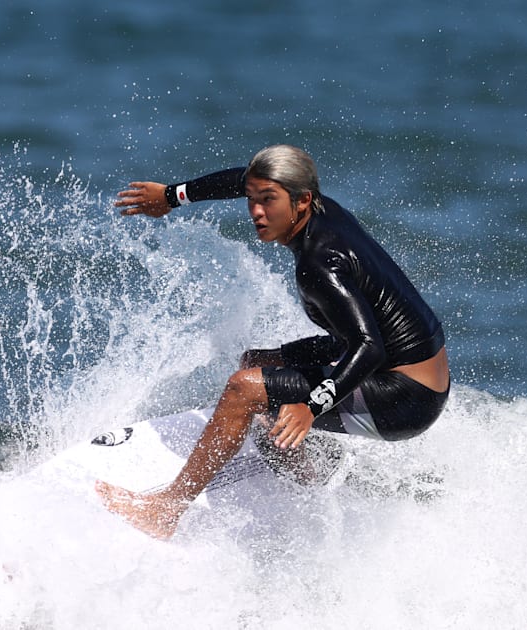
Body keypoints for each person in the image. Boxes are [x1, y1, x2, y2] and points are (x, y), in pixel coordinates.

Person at [96, 145, 450, 540]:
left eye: (268, 202)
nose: (256, 213)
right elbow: (245, 180)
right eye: (252, 200)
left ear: (301, 202)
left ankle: (166, 510)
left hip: (404, 397)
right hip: (411, 374)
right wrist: (171, 195)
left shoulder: (318, 263)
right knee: (257, 364)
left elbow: (369, 347)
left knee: (242, 390)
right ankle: (315, 471)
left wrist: (311, 407)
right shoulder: (320, 208)